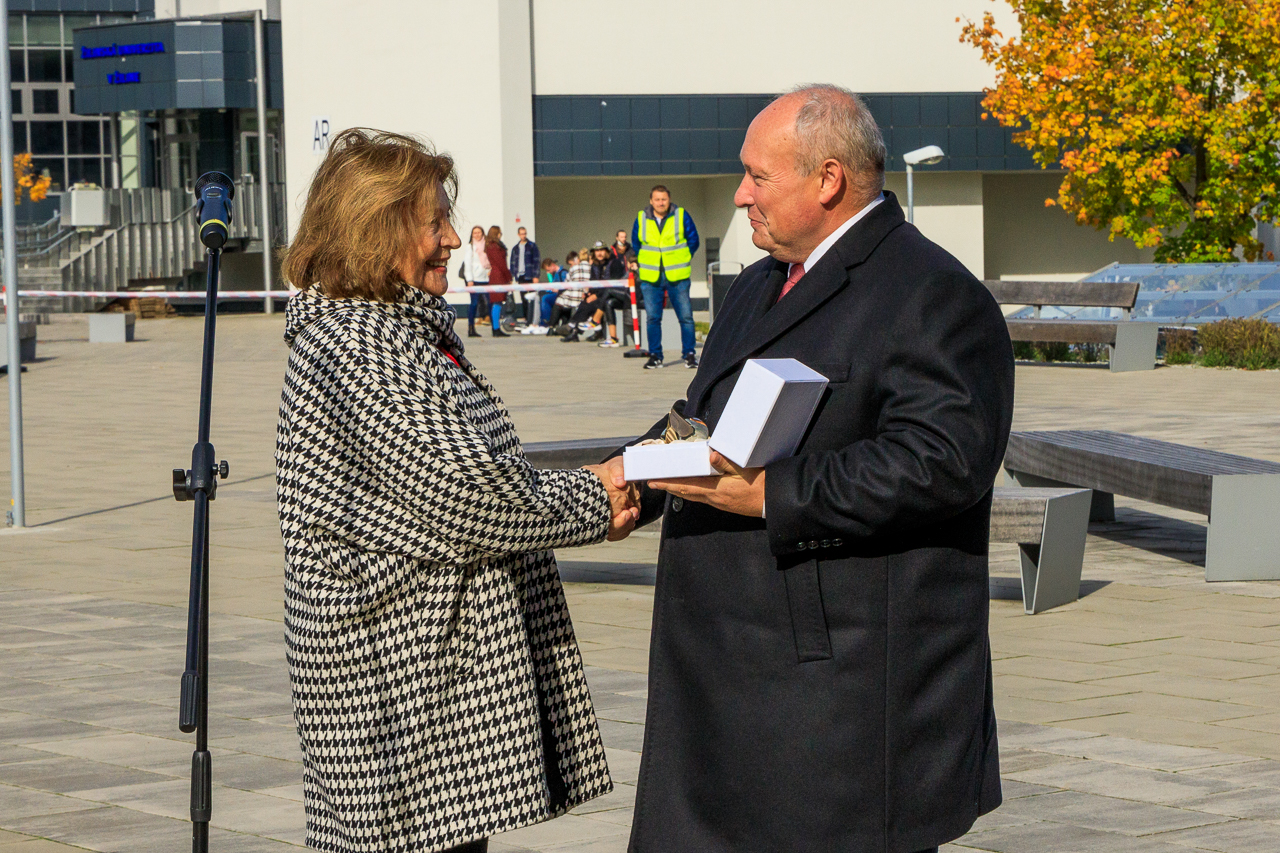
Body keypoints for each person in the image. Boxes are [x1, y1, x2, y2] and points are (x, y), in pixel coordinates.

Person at [613, 86, 1014, 852]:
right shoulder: (760, 282)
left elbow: (944, 461)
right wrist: (631, 470)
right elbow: (705, 414)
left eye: (757, 176)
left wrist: (775, 493)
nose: (741, 194)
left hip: (835, 703)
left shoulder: (932, 293)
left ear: (828, 179)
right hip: (724, 680)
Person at [276, 128, 638, 853]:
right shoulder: (359, 342)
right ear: (376, 231)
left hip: (422, 665)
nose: (450, 239)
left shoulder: (398, 329)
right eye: (435, 222)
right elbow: (466, 494)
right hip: (396, 675)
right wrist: (593, 499)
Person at [630, 185, 699, 369]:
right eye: (657, 199)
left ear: (669, 200)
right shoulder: (641, 218)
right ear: (651, 201)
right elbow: (636, 244)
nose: (661, 203)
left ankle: (689, 354)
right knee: (652, 318)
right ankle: (655, 356)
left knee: (686, 317)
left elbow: (694, 240)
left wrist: (684, 257)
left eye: (664, 199)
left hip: (677, 275)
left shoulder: (681, 215)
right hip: (651, 276)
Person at [587, 240, 629, 347]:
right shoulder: (597, 265)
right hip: (618, 295)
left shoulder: (616, 263)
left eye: (602, 250)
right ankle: (613, 339)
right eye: (597, 251)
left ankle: (595, 320)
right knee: (608, 302)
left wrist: (597, 295)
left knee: (608, 290)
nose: (599, 253)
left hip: (630, 296)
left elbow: (615, 284)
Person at [560, 247, 601, 342]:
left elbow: (567, 282)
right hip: (589, 294)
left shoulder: (575, 268)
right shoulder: (592, 268)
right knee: (584, 304)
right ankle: (574, 329)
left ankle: (573, 326)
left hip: (582, 296)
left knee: (585, 306)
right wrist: (588, 293)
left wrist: (592, 294)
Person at [521, 256, 564, 334]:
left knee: (544, 298)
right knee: (537, 297)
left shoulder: (563, 273)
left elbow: (565, 287)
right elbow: (552, 284)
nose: (548, 272)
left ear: (553, 265)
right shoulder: (554, 274)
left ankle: (544, 324)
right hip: (554, 292)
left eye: (548, 270)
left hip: (560, 294)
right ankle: (534, 323)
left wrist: (557, 290)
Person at [547, 251, 587, 333]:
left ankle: (551, 326)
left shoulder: (573, 269)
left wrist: (559, 291)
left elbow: (566, 284)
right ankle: (561, 325)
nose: (570, 266)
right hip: (583, 294)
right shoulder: (589, 267)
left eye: (570, 264)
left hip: (575, 295)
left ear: (576, 260)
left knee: (558, 302)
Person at [483, 225, 512, 337]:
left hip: (497, 275)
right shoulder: (495, 247)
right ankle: (496, 328)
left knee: (497, 302)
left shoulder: (491, 245)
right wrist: (508, 277)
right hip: (498, 277)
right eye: (499, 233)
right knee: (497, 302)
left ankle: (496, 327)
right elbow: (501, 263)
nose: (501, 235)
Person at [509, 226, 541, 325]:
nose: (523, 236)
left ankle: (533, 318)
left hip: (530, 275)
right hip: (520, 276)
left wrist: (536, 275)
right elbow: (512, 262)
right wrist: (512, 275)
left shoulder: (532, 246)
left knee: (531, 297)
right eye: (522, 234)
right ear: (518, 235)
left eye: (525, 233)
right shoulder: (515, 248)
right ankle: (526, 317)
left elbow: (536, 261)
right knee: (523, 297)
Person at [462, 225, 489, 338]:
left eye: (479, 232)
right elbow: (467, 264)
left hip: (486, 278)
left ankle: (495, 327)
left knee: (490, 302)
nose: (477, 235)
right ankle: (471, 328)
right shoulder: (470, 247)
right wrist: (469, 279)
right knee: (474, 304)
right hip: (475, 279)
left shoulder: (487, 245)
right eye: (475, 233)